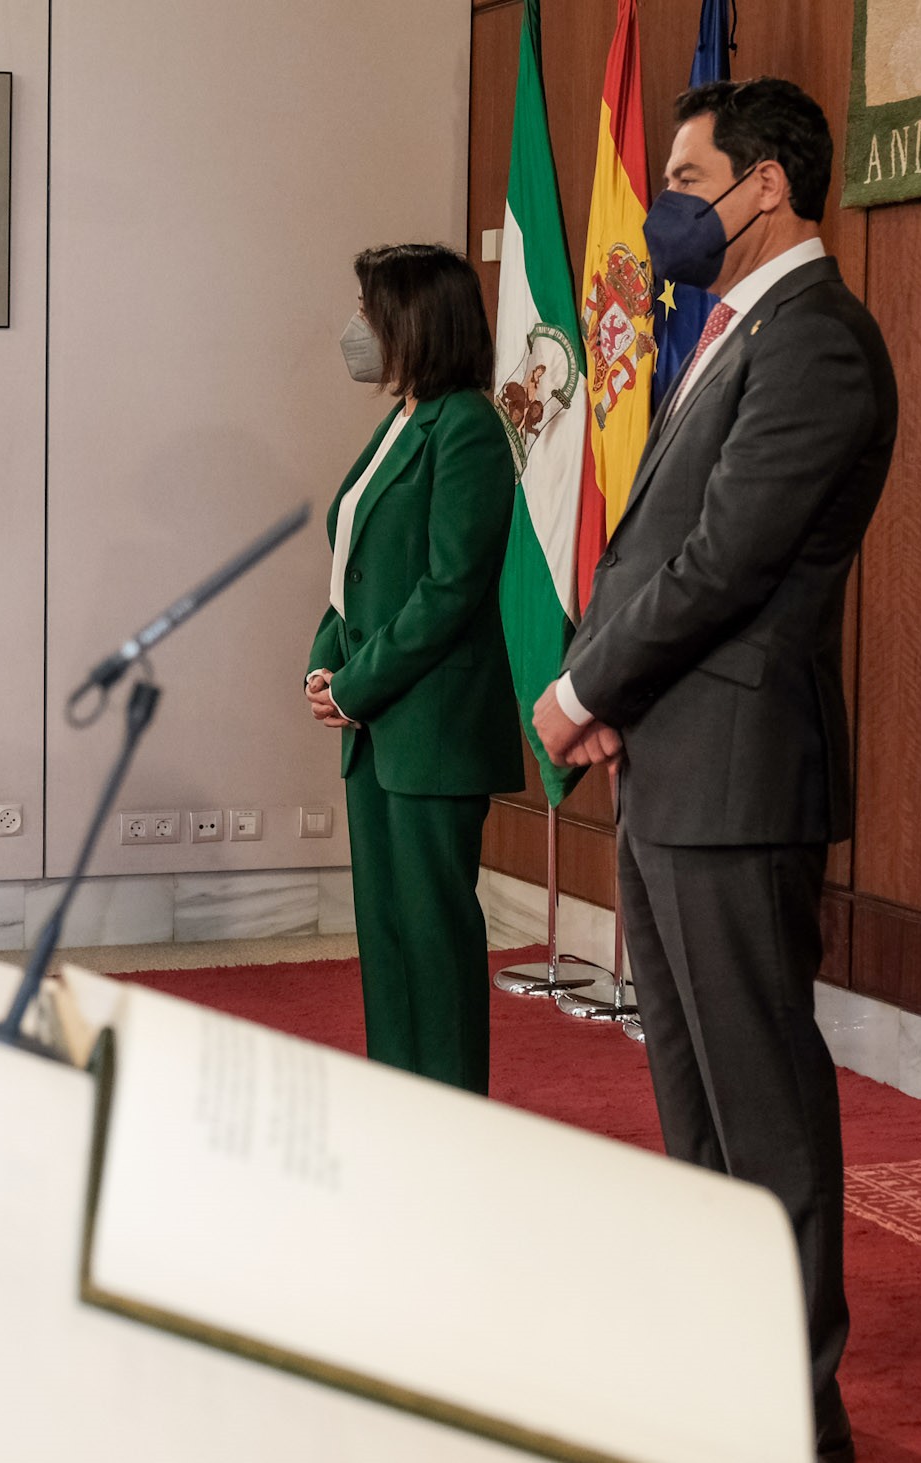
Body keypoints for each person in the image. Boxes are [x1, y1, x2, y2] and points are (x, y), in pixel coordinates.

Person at [531, 79, 896, 1463]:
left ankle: (795, 1418)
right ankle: (718, 1373)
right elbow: (650, 552)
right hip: (672, 762)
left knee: (763, 1112)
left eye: (688, 178)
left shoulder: (818, 344)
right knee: (694, 1104)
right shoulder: (736, 330)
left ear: (766, 188)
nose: (669, 207)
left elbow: (725, 561)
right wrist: (619, 696)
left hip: (739, 775)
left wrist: (581, 687)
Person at [306, 243, 524, 1094]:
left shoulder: (467, 424)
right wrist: (326, 666)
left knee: (434, 936)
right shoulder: (403, 418)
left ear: (414, 321)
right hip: (378, 723)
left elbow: (449, 588)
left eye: (369, 312)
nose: (356, 330)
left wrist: (358, 687)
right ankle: (399, 1100)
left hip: (429, 722)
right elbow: (354, 568)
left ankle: (452, 1113)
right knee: (389, 932)